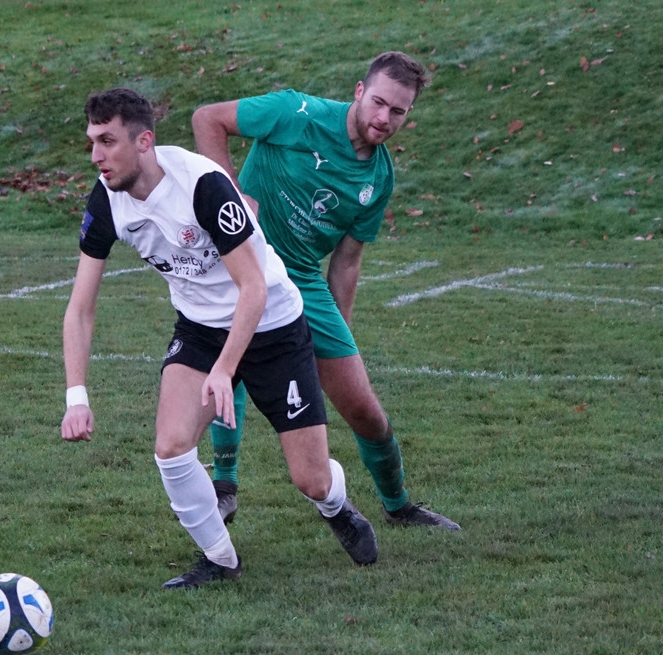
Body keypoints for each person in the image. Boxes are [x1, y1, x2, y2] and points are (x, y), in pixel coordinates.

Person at [61, 87, 378, 590]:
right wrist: (76, 397)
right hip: (200, 329)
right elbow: (81, 307)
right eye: (92, 141)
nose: (96, 156)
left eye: (107, 141)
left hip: (273, 325)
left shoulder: (203, 186)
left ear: (144, 141)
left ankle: (335, 505)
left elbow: (253, 288)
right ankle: (221, 559)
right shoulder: (107, 200)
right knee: (171, 446)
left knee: (311, 479)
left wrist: (226, 371)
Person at [191, 51, 461, 530]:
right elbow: (207, 119)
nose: (384, 118)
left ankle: (398, 506)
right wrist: (231, 196)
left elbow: (347, 261)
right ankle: (225, 486)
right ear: (359, 91)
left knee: (364, 408)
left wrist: (340, 338)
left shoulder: (379, 178)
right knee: (226, 372)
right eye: (378, 102)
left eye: (398, 111)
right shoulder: (296, 112)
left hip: (300, 279)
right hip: (241, 264)